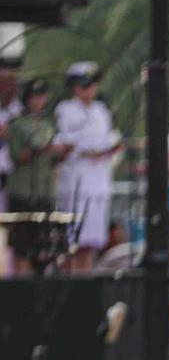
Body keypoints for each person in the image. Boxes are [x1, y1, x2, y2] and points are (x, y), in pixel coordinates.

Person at [54, 61, 121, 271]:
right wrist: (97, 149)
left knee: (92, 243)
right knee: (73, 244)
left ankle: (85, 282)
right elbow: (74, 144)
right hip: (76, 184)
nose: (89, 90)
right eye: (84, 85)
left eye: (92, 85)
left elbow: (109, 140)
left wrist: (110, 148)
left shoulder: (101, 111)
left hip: (99, 184)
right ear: (74, 87)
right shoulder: (66, 110)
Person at [6, 78, 68, 274]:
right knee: (21, 248)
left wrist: (61, 151)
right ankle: (19, 295)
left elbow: (56, 158)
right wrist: (40, 149)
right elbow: (18, 156)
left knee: (44, 250)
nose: (38, 101)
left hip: (45, 192)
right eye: (34, 96)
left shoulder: (51, 123)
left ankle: (38, 297)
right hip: (23, 193)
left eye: (42, 96)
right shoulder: (17, 124)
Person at [0, 62, 22, 213]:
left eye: (11, 82)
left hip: (14, 173)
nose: (7, 87)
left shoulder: (21, 110)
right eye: (3, 83)